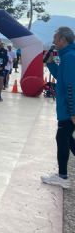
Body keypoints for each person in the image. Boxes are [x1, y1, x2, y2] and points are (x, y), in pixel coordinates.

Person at [41, 27, 75, 189]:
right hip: (66, 107)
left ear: (63, 39)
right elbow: (61, 78)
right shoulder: (66, 56)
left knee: (62, 138)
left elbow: (70, 86)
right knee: (67, 138)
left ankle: (62, 176)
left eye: (55, 38)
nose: (53, 42)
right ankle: (62, 175)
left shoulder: (69, 57)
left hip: (68, 109)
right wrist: (50, 64)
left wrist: (72, 111)